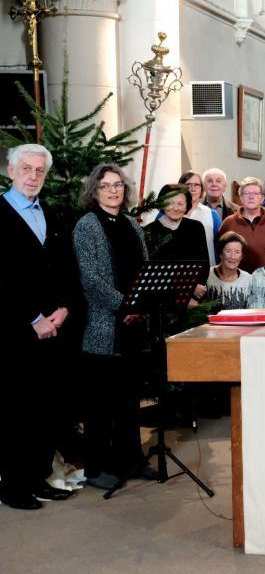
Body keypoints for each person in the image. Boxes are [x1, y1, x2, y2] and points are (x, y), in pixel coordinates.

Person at [0, 143, 78, 509]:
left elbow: (65, 268)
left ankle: (38, 477)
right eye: (26, 169)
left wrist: (63, 309)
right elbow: (2, 279)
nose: (33, 177)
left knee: (49, 409)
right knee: (18, 411)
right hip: (15, 330)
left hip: (54, 327)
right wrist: (33, 319)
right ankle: (14, 487)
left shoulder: (50, 213)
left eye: (39, 171)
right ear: (11, 171)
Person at [73, 163, 155, 490]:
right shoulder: (87, 226)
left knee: (128, 400)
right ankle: (96, 469)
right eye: (105, 185)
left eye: (117, 184)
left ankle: (131, 460)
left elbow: (145, 269)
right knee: (100, 405)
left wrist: (141, 306)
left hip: (134, 326)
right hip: (104, 326)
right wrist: (125, 305)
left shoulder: (131, 224)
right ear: (94, 191)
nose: (113, 190)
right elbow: (90, 280)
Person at [143, 184, 210, 291]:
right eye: (170, 203)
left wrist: (195, 292)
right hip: (160, 293)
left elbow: (204, 265)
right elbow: (149, 271)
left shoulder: (196, 228)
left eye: (180, 204)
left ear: (187, 206)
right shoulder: (149, 231)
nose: (175, 208)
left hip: (193, 294)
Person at [218, 176, 265, 272]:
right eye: (246, 193)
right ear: (241, 198)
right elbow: (220, 253)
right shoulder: (228, 223)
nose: (251, 197)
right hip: (236, 277)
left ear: (262, 198)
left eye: (255, 193)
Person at [178, 171, 221, 264]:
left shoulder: (212, 215)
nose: (193, 189)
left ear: (202, 189)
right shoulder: (169, 213)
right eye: (188, 185)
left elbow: (220, 246)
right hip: (176, 269)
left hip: (206, 268)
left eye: (197, 185)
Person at [205, 231, 252, 310]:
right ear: (220, 254)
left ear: (242, 256)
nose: (233, 257)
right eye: (228, 251)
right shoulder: (206, 276)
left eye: (237, 252)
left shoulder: (249, 280)